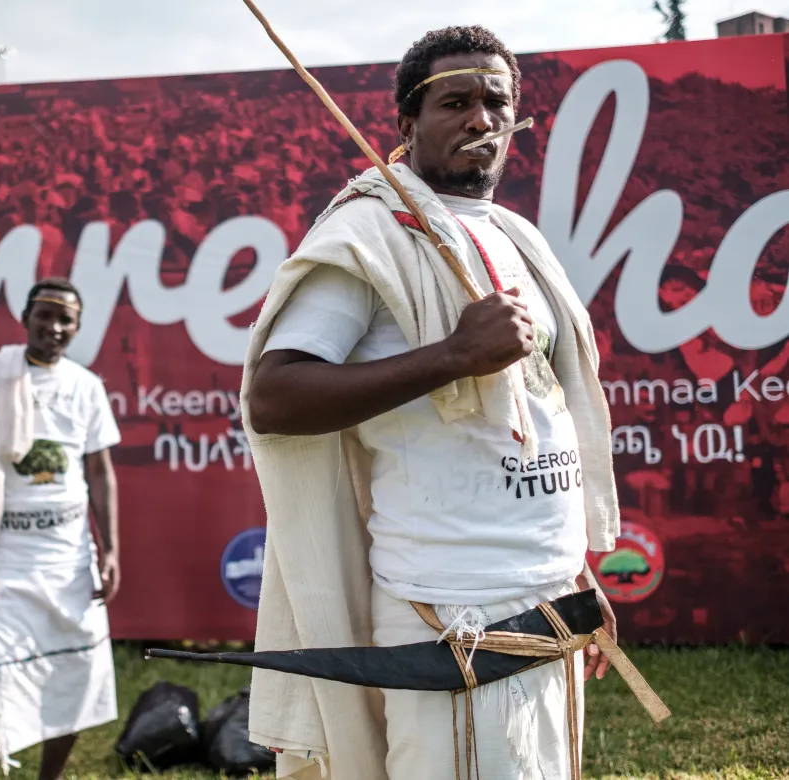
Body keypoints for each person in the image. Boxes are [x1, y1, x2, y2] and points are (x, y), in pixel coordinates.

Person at [241, 26, 621, 780]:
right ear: (406, 124)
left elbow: (540, 412)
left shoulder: (516, 235)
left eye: (495, 102)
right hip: (446, 608)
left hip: (544, 589)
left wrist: (572, 566)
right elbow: (274, 396)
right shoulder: (369, 234)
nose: (480, 119)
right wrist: (452, 356)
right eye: (455, 102)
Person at [0, 277, 122, 780]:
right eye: (46, 316)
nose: (55, 327)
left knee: (72, 675)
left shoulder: (86, 386)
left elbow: (101, 472)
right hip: (5, 559)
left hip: (69, 558)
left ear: (78, 328)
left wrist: (110, 551)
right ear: (25, 318)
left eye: (67, 320)